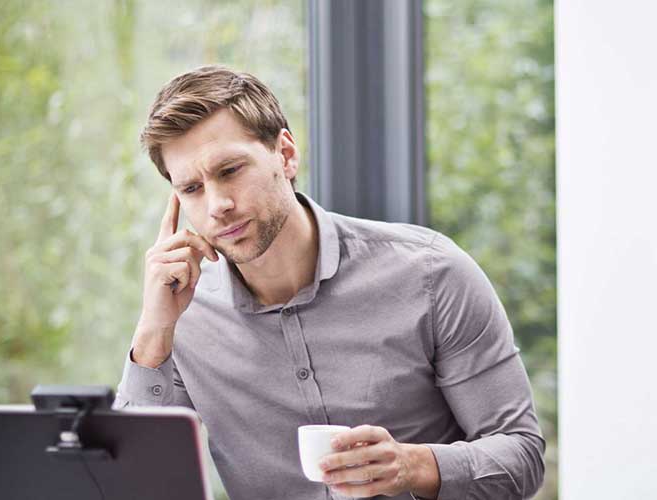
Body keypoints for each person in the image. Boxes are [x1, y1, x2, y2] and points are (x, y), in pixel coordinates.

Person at [114, 65, 545, 500]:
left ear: (285, 154)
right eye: (192, 188)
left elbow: (522, 457)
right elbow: (128, 485)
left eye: (230, 170)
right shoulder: (183, 315)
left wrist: (415, 466)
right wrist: (153, 333)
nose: (218, 204)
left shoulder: (432, 274)